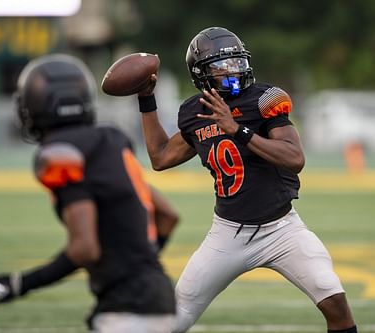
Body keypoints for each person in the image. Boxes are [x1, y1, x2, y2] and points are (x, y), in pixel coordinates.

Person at [136, 27, 357, 333]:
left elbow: (295, 159)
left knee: (334, 301)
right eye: (222, 65)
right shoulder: (195, 112)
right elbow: (160, 158)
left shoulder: (264, 100)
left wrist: (238, 130)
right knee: (176, 316)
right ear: (201, 74)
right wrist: (147, 100)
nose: (234, 71)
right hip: (228, 234)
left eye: (237, 62)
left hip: (282, 229)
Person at [0, 54, 178, 332]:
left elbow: (85, 248)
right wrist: (136, 265)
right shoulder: (111, 139)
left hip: (126, 310)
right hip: (158, 296)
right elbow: (167, 216)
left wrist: (20, 284)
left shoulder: (59, 154)